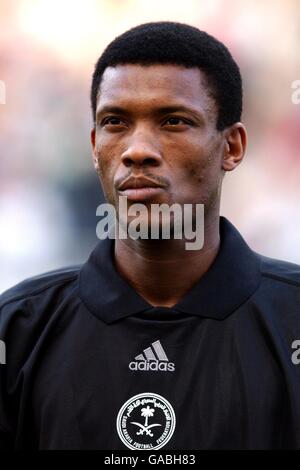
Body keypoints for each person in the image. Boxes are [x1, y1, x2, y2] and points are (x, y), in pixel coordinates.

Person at [1, 21, 300, 451]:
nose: (137, 149)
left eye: (174, 121)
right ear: (93, 145)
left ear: (231, 148)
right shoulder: (17, 329)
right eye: (115, 122)